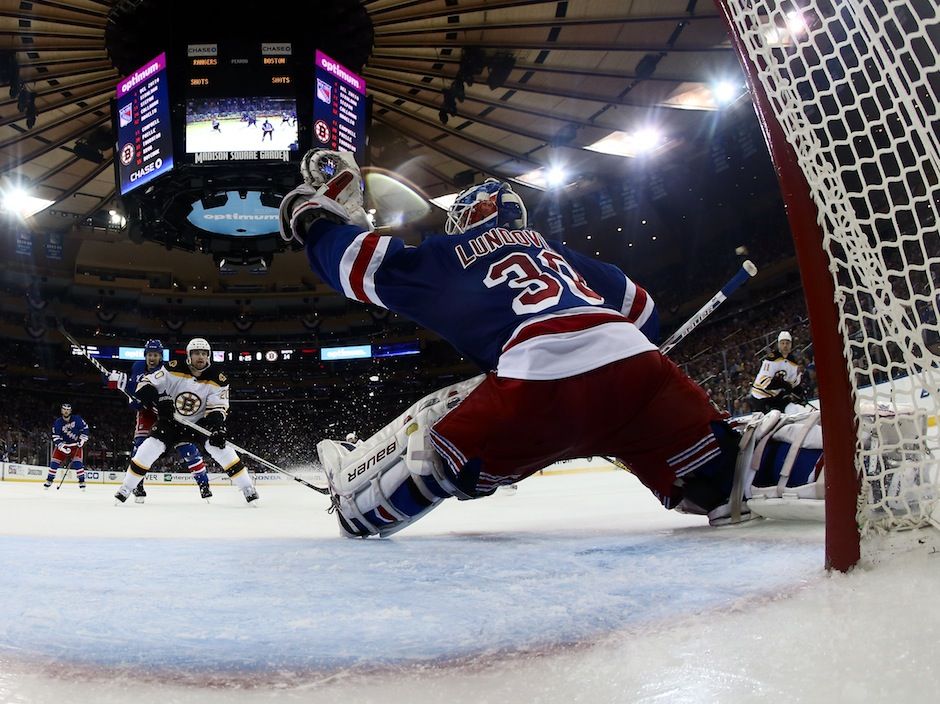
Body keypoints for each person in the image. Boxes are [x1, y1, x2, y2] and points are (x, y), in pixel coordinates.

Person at [278, 149, 743, 538]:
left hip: (538, 389)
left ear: (464, 220)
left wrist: (315, 220)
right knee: (710, 477)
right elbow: (643, 311)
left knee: (437, 424)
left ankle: (357, 505)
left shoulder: (450, 254)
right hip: (639, 372)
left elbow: (357, 264)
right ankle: (756, 469)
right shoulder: (559, 253)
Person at [113, 338, 259, 505]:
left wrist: (218, 428)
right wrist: (161, 401)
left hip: (198, 423)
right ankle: (126, 487)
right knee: (149, 447)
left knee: (220, 448)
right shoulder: (173, 368)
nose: (200, 357)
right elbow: (144, 385)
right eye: (196, 353)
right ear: (189, 355)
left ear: (209, 356)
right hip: (171, 422)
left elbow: (217, 408)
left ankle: (247, 487)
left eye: (204, 353)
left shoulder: (218, 379)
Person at [107, 339, 212, 502]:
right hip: (148, 413)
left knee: (186, 447)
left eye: (156, 355)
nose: (152, 358)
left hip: (169, 413)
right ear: (145, 355)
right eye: (150, 354)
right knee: (140, 447)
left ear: (160, 356)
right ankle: (137, 485)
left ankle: (203, 484)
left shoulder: (168, 369)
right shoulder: (137, 367)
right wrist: (121, 384)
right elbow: (136, 393)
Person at [749, 331, 803, 413]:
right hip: (760, 397)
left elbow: (791, 384)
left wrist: (800, 393)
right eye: (782, 343)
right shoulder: (771, 359)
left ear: (791, 344)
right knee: (773, 418)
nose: (785, 345)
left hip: (775, 397)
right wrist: (783, 384)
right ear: (778, 345)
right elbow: (765, 383)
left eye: (787, 343)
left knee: (792, 409)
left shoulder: (793, 363)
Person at [44, 403, 89, 489]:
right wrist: (62, 447)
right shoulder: (57, 422)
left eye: (68, 409)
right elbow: (55, 437)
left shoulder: (77, 419)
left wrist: (82, 440)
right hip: (63, 446)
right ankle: (49, 480)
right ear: (61, 410)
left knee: (78, 464)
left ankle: (82, 481)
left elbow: (85, 428)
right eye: (64, 409)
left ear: (71, 411)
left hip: (75, 446)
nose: (66, 411)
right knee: (54, 463)